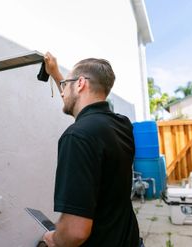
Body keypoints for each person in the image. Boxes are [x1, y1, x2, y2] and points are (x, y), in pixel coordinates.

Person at [41, 52, 141, 247]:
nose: (62, 92)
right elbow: (84, 113)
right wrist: (55, 74)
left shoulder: (76, 137)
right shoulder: (122, 125)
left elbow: (75, 232)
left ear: (80, 84)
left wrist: (53, 238)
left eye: (66, 85)